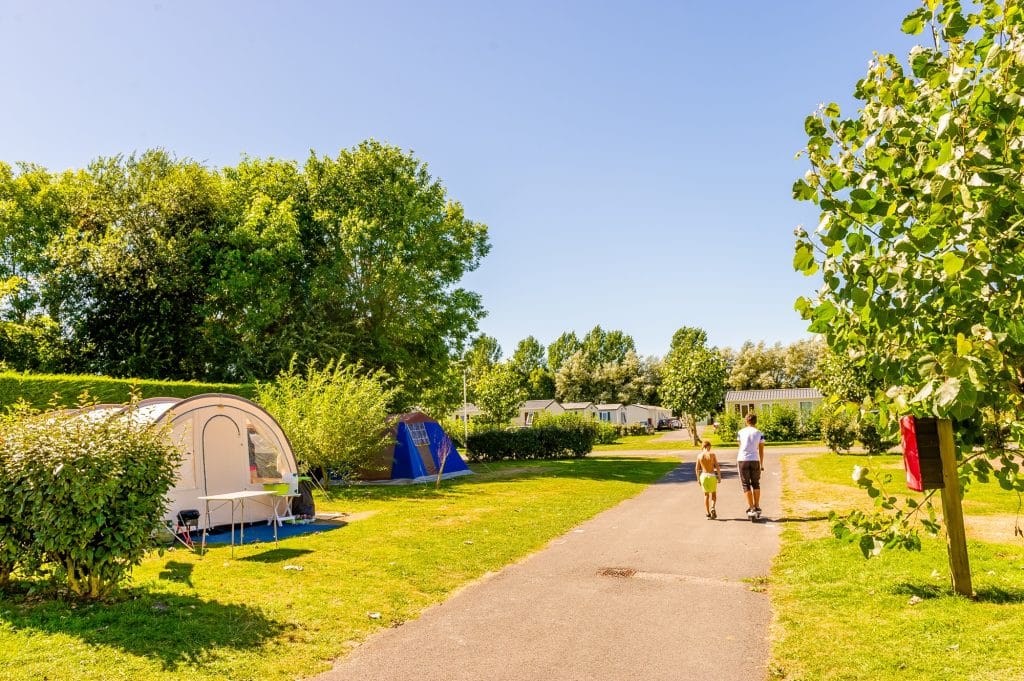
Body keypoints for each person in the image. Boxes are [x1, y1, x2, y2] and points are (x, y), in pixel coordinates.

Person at [737, 412, 765, 518]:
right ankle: (757, 505)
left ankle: (751, 507)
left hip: (743, 459)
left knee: (746, 484)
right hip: (755, 459)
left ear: (746, 421)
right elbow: (761, 449)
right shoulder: (759, 433)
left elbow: (740, 446)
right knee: (756, 483)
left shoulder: (740, 432)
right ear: (755, 421)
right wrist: (761, 463)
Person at [694, 440, 721, 519]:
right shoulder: (712, 455)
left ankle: (708, 513)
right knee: (713, 494)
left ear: (703, 447)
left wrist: (698, 479)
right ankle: (712, 507)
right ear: (708, 446)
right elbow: (717, 467)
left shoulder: (699, 456)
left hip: (704, 476)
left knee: (706, 495)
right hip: (712, 475)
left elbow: (697, 469)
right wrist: (719, 477)